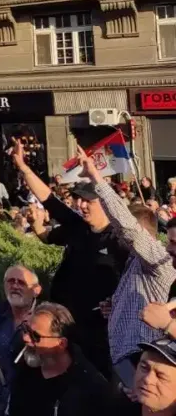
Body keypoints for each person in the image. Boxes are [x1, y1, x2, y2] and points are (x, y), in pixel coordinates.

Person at [10, 138, 126, 377]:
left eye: (88, 200)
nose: (81, 205)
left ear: (105, 203)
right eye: (79, 199)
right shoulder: (76, 226)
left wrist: (116, 303)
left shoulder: (120, 240)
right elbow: (49, 200)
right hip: (64, 329)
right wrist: (23, 167)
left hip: (99, 336)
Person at [77, 150, 176, 388]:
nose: (168, 246)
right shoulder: (134, 260)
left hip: (141, 364)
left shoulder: (159, 261)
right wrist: (117, 305)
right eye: (169, 240)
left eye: (173, 242)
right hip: (125, 360)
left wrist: (96, 179)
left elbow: (127, 227)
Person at [7, 302, 117, 416]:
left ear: (61, 344)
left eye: (35, 336)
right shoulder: (24, 373)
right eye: (26, 330)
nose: (25, 338)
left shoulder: (91, 387)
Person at [0, 264, 41, 416]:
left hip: (30, 403)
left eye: (21, 282)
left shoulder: (43, 319)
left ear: (36, 290)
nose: (15, 286)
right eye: (10, 281)